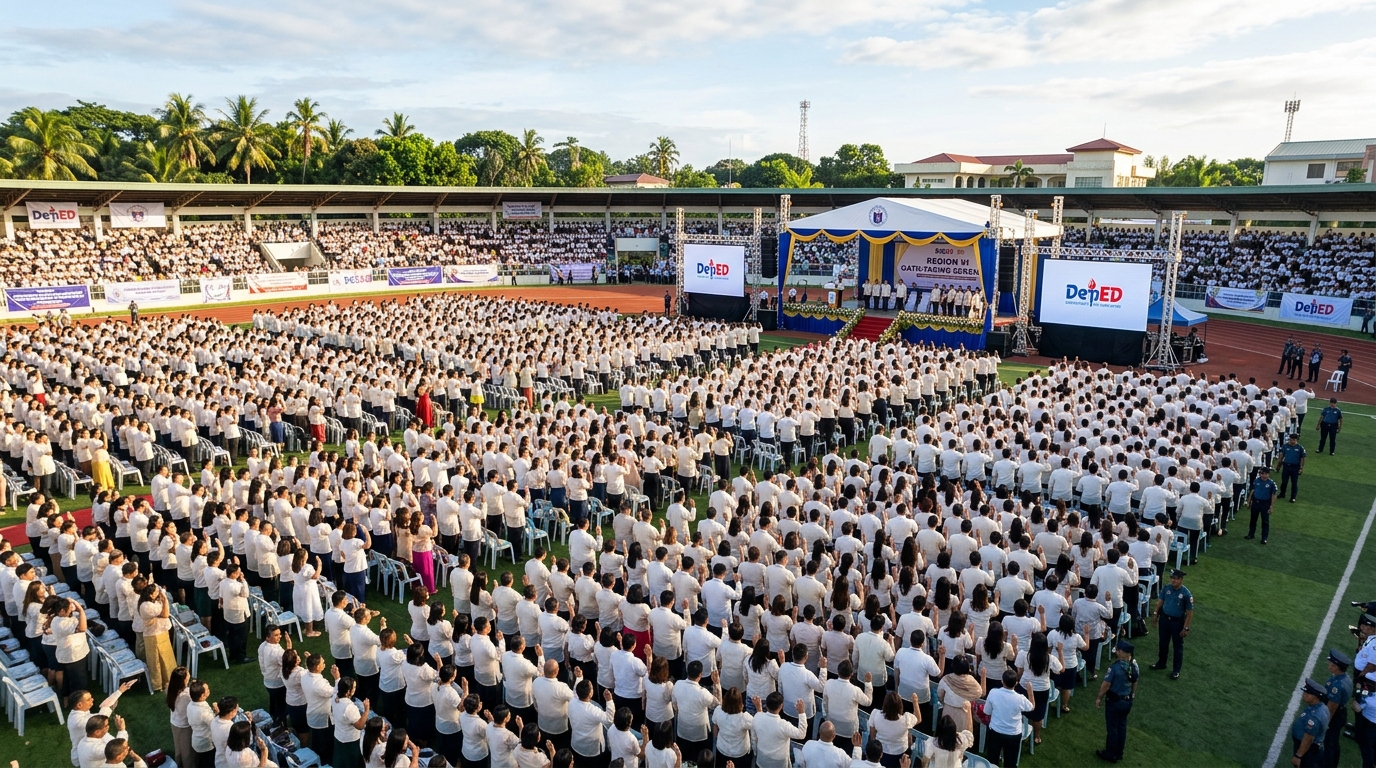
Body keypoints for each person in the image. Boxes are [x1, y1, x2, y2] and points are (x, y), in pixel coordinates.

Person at [1095, 640, 1139, 764]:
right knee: (1122, 727)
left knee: (1112, 728)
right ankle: (1119, 752)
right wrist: (1132, 694)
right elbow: (1135, 681)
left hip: (1114, 702)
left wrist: (1099, 697)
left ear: (1121, 653)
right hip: (1127, 701)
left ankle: (1110, 753)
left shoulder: (1114, 668)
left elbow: (1106, 685)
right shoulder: (1134, 666)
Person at [983, 669, 1032, 767]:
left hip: (995, 731)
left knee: (992, 761)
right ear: (1016, 683)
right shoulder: (1020, 698)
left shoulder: (993, 693)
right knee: (1010, 763)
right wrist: (1030, 691)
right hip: (1013, 734)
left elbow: (986, 711)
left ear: (1002, 681)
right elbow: (1031, 707)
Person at [1150, 569, 1193, 680]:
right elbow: (1160, 601)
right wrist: (1155, 613)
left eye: (1176, 579)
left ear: (1181, 580)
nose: (1173, 581)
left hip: (1177, 623)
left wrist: (1186, 628)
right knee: (1163, 643)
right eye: (1172, 578)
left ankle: (1176, 670)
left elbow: (1189, 613)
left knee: (1177, 647)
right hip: (1164, 620)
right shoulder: (1167, 588)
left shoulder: (1186, 594)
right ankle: (1161, 663)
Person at [1323, 649, 1353, 768]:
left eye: (1332, 664)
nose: (1329, 665)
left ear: (1337, 667)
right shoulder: (1345, 678)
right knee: (1333, 742)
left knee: (1329, 742)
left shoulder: (1337, 684)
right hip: (1341, 713)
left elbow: (1332, 706)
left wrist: (1325, 723)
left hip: (1335, 715)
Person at [1293, 678, 1330, 767]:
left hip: (1308, 752)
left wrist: (1298, 756)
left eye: (1307, 693)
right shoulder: (1322, 707)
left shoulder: (1314, 717)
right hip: (1314, 750)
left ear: (1316, 696)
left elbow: (1308, 738)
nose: (1304, 694)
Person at [1247, 467, 1278, 544]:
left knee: (1265, 521)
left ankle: (1264, 538)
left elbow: (1273, 495)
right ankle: (1251, 534)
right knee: (1253, 519)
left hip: (1265, 504)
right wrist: (1249, 501)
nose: (1264, 476)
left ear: (1268, 474)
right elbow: (1252, 491)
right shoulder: (1256, 481)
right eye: (1262, 474)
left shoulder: (1271, 483)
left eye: (1266, 474)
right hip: (1256, 503)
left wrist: (1271, 506)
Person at [1276, 434, 1306, 504]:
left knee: (1294, 483)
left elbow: (1303, 458)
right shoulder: (1285, 446)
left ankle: (1293, 497)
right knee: (1284, 482)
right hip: (1286, 466)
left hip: (1295, 467)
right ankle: (1282, 493)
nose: (1292, 441)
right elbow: (1281, 456)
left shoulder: (1300, 448)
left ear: (1297, 440)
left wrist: (1301, 468)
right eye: (1291, 439)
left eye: (1294, 440)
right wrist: (1278, 465)